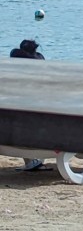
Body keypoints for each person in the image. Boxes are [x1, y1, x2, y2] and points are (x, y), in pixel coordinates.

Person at [9, 40, 46, 170]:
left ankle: (30, 161)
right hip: (43, 141)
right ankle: (33, 161)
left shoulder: (10, 90)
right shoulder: (44, 92)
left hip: (8, 140)